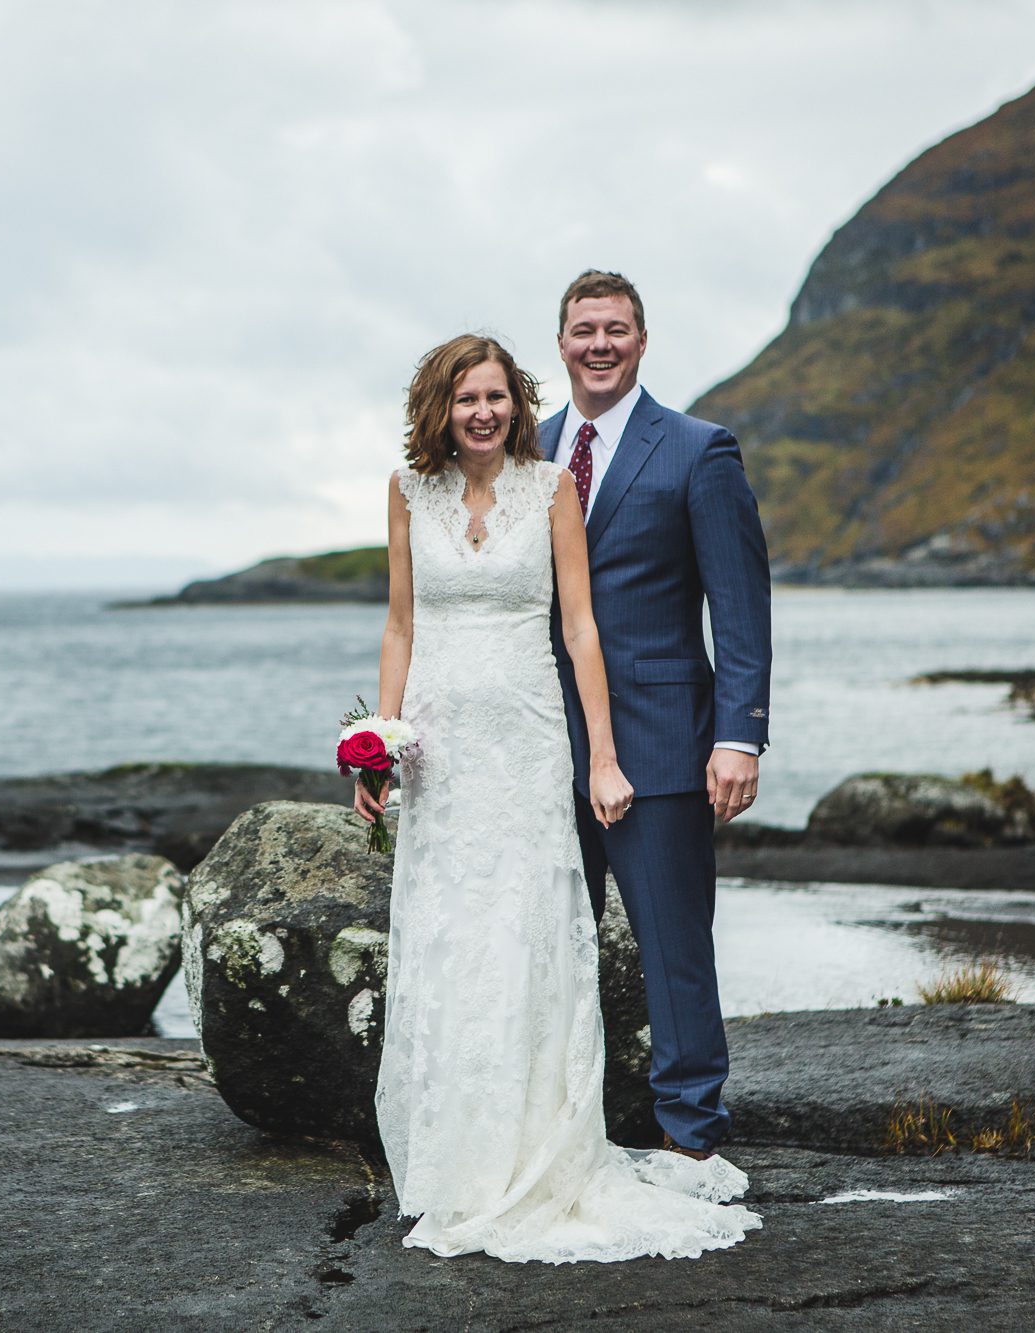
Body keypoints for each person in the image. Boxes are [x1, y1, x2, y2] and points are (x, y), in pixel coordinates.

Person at [360, 331, 761, 1264]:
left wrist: (604, 760)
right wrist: (377, 745)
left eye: (497, 395)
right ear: (440, 405)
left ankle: (546, 1152)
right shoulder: (404, 490)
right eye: (467, 398)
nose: (485, 411)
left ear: (517, 399)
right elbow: (398, 621)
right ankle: (457, 1160)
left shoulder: (551, 486)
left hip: (531, 740)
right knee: (451, 937)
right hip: (439, 752)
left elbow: (581, 631)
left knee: (529, 936)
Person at [542, 270, 772, 1160]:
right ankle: (565, 1134)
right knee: (552, 950)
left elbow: (740, 600)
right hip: (539, 746)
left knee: (675, 952)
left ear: (642, 341)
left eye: (616, 330)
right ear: (560, 343)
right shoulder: (528, 450)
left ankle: (692, 1140)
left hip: (665, 744)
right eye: (583, 330)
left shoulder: (697, 449)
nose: (599, 344)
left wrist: (738, 734)